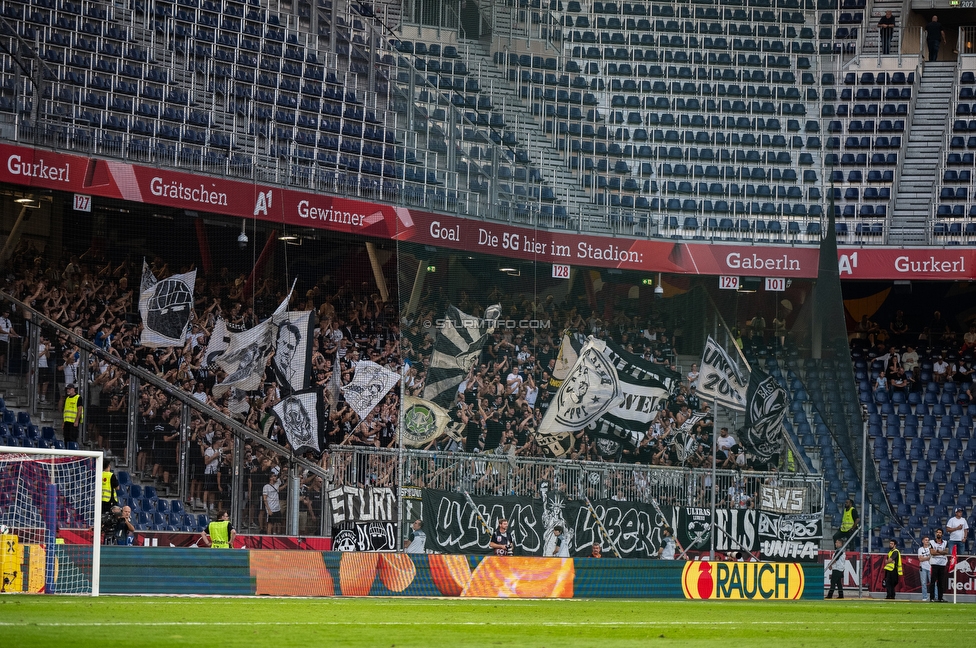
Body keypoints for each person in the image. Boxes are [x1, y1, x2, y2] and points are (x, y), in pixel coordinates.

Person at [930, 528, 949, 602]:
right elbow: (932, 553)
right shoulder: (931, 542)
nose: (938, 534)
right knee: (933, 581)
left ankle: (940, 598)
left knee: (941, 582)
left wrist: (937, 551)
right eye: (937, 532)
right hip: (934, 564)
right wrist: (941, 552)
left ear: (942, 534)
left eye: (940, 532)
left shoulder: (945, 542)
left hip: (942, 564)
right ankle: (932, 597)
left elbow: (946, 551)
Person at [918, 536, 932, 602]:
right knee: (923, 583)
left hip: (930, 567)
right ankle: (924, 597)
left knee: (932, 583)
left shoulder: (931, 549)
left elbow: (931, 558)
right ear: (923, 541)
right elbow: (920, 559)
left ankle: (934, 596)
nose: (927, 541)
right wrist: (928, 558)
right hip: (923, 567)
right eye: (926, 540)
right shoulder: (920, 549)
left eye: (928, 540)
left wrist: (924, 558)